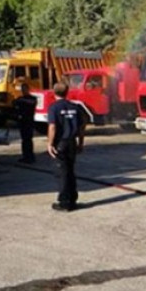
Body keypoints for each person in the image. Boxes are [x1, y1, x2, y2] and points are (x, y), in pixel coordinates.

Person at [47, 82, 87, 212]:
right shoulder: (75, 107)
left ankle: (64, 202)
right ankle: (72, 199)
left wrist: (50, 143)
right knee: (70, 171)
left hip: (60, 143)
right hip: (72, 142)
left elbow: (52, 127)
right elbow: (81, 127)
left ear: (54, 92)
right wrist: (81, 142)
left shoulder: (54, 108)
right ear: (67, 92)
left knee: (62, 173)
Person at [13, 83, 37, 163]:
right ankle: (25, 156)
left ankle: (30, 156)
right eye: (22, 90)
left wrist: (20, 101)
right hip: (22, 121)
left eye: (24, 89)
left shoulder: (32, 98)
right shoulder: (20, 99)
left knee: (28, 139)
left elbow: (31, 103)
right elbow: (14, 104)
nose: (23, 91)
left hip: (29, 121)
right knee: (24, 140)